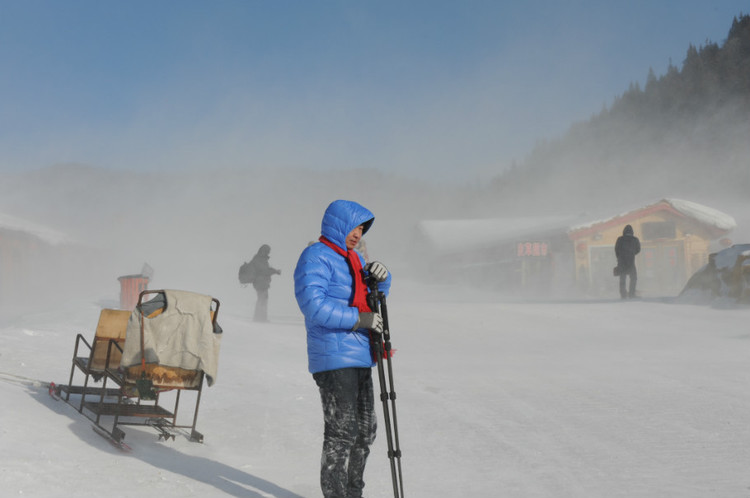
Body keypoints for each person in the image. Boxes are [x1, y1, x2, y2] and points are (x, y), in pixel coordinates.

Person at [293, 200, 392, 498]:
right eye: (353, 227)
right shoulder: (315, 256)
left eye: (362, 229)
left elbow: (372, 297)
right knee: (342, 433)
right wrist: (359, 319)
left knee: (365, 432)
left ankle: (353, 493)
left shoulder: (355, 259)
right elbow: (313, 305)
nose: (357, 234)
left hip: (361, 353)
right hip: (333, 357)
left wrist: (383, 280)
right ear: (337, 224)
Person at [248, 244, 281, 322]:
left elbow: (265, 269)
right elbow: (264, 271)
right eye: (267, 251)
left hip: (261, 282)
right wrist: (275, 271)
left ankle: (259, 318)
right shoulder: (259, 259)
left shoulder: (259, 259)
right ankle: (260, 318)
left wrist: (274, 271)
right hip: (260, 282)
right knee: (262, 300)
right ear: (263, 251)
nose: (268, 253)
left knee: (262, 299)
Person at [615, 224, 641, 299]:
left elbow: (616, 250)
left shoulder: (620, 239)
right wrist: (632, 253)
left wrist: (619, 257)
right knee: (633, 278)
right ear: (632, 232)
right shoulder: (635, 239)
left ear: (624, 231)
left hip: (621, 262)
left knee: (622, 278)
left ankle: (623, 294)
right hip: (631, 262)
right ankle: (631, 294)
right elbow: (638, 250)